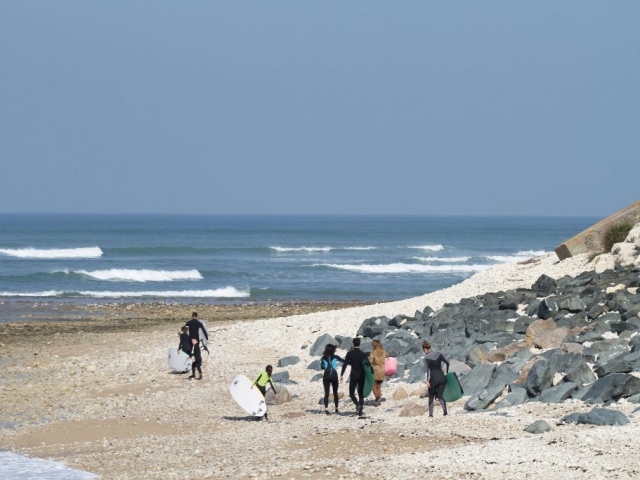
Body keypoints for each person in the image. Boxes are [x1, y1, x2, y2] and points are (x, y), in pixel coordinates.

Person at [340, 337, 369, 416]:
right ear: (359, 344)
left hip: (354, 375)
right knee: (360, 394)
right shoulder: (363, 355)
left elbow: (345, 364)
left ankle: (357, 404)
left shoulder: (350, 354)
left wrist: (341, 374)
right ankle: (360, 412)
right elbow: (368, 366)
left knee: (352, 394)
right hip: (362, 375)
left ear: (353, 344)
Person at [422, 340, 450, 417]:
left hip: (434, 379)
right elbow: (447, 363)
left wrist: (427, 381)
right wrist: (446, 373)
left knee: (431, 396)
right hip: (442, 378)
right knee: (440, 395)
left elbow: (426, 371)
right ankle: (445, 412)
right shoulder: (439, 354)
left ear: (425, 349)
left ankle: (431, 414)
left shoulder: (426, 358)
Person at [320, 344, 345, 415]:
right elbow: (344, 361)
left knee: (327, 392)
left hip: (326, 375)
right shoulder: (336, 357)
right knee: (335, 392)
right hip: (334, 375)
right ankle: (336, 409)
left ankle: (326, 409)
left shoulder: (323, 358)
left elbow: (322, 367)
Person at [369, 340, 388, 407]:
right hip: (383, 370)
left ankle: (377, 398)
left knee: (373, 386)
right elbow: (387, 357)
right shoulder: (384, 351)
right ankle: (378, 398)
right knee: (379, 386)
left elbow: (371, 361)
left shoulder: (373, 352)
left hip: (376, 370)